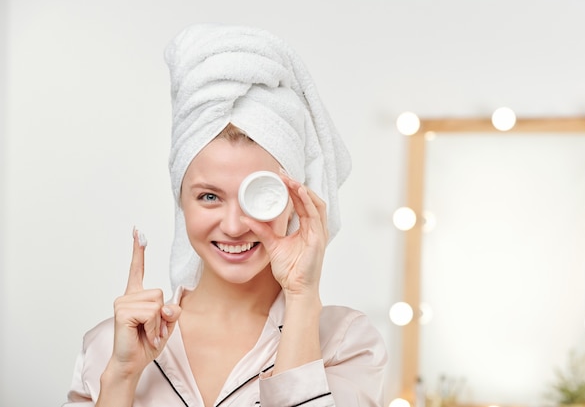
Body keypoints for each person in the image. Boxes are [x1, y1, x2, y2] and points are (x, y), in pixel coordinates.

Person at [64, 23, 388, 407]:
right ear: (180, 199)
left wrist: (301, 297)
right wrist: (120, 378)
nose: (234, 227)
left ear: (297, 201)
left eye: (259, 198)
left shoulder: (345, 344)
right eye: (209, 197)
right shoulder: (111, 346)